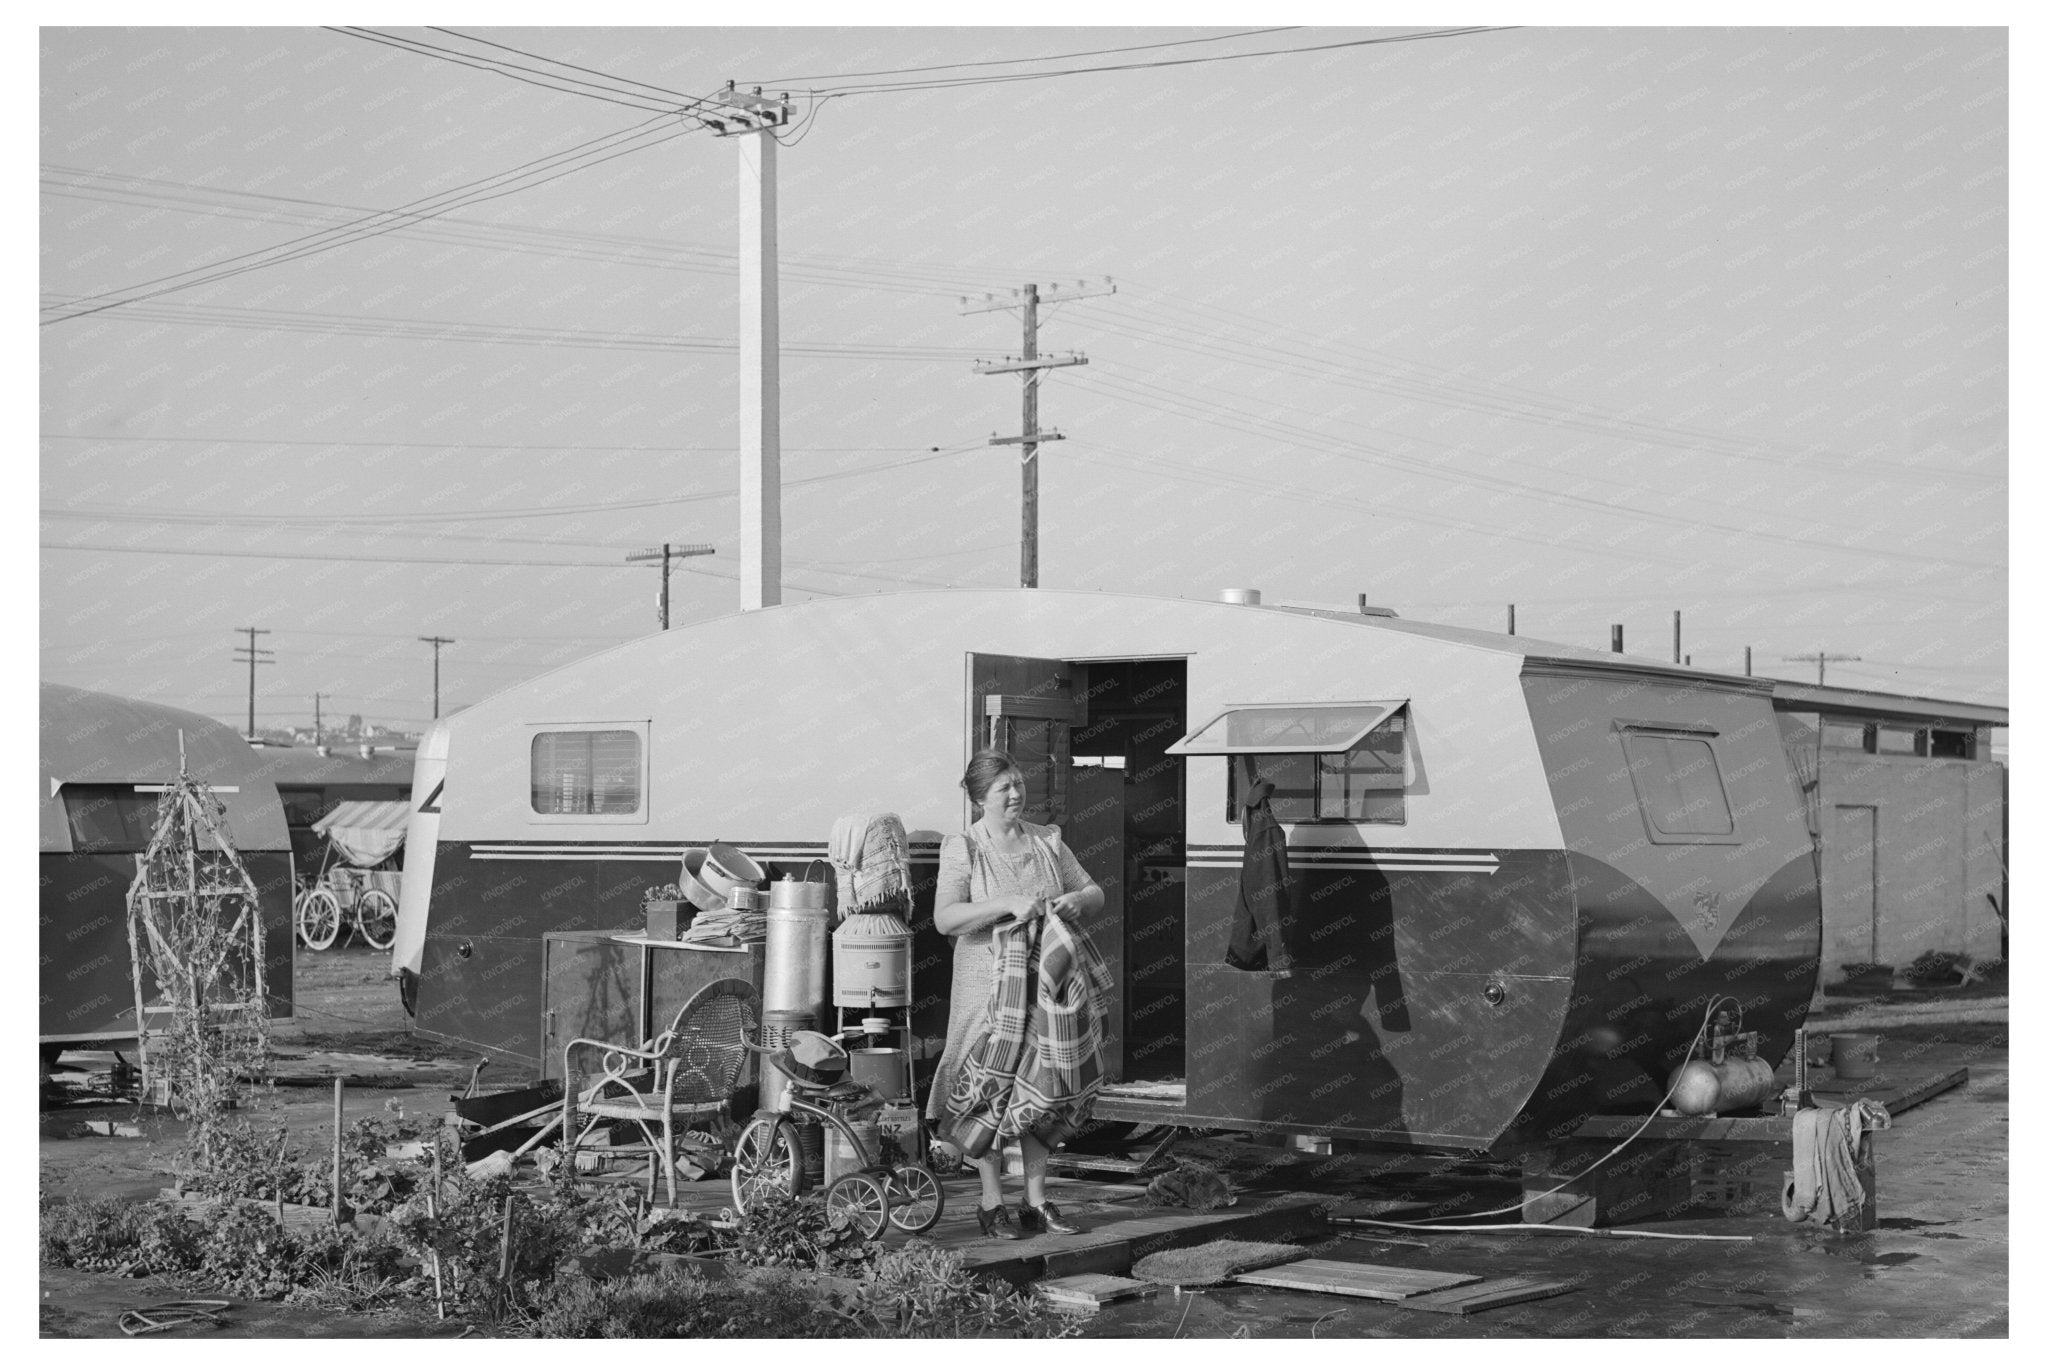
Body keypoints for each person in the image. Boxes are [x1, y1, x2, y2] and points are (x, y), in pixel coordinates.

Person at [929, 749, 1107, 1239]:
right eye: (1004, 787)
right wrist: (1006, 903)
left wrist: (1077, 901)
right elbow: (946, 918)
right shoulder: (964, 847)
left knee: (1043, 1087)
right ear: (980, 797)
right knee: (992, 1090)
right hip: (986, 988)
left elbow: (1096, 893)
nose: (1015, 793)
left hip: (1044, 990)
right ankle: (991, 1203)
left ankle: (1037, 1201)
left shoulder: (1048, 842)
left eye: (1018, 783)